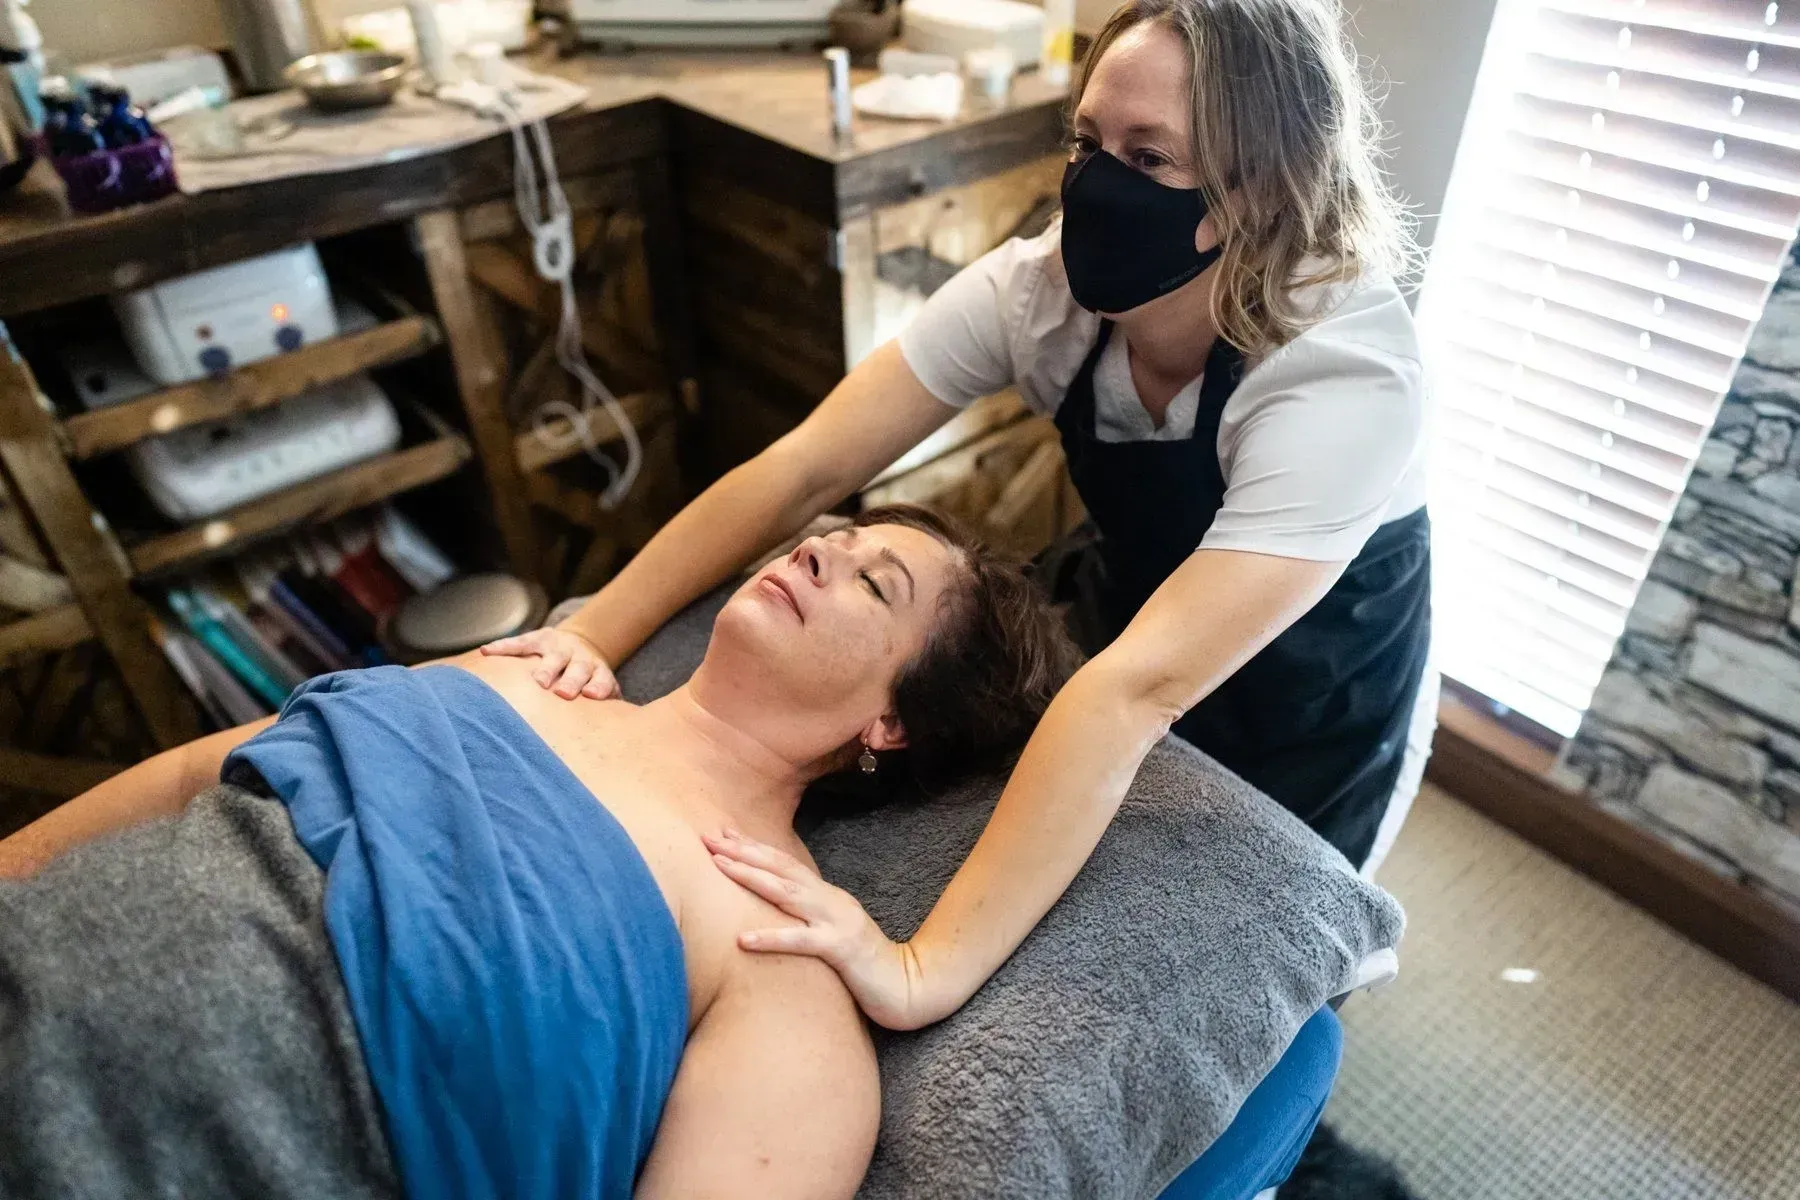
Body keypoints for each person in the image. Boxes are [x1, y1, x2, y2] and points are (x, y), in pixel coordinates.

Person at [482, 0, 1434, 1033]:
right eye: (1087, 140)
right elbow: (804, 467)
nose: (1097, 182)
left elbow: (1134, 691)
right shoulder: (1044, 291)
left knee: (1270, 945)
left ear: (1263, 189)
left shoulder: (1340, 376)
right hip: (1136, 592)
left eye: (1149, 158)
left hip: (1320, 683)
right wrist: (591, 632)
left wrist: (921, 968)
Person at [0, 506, 1076, 1200]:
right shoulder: (516, 671)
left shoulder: (780, 973)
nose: (819, 549)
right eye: (834, 532)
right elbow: (208, 775)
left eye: (873, 582)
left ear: (890, 723)